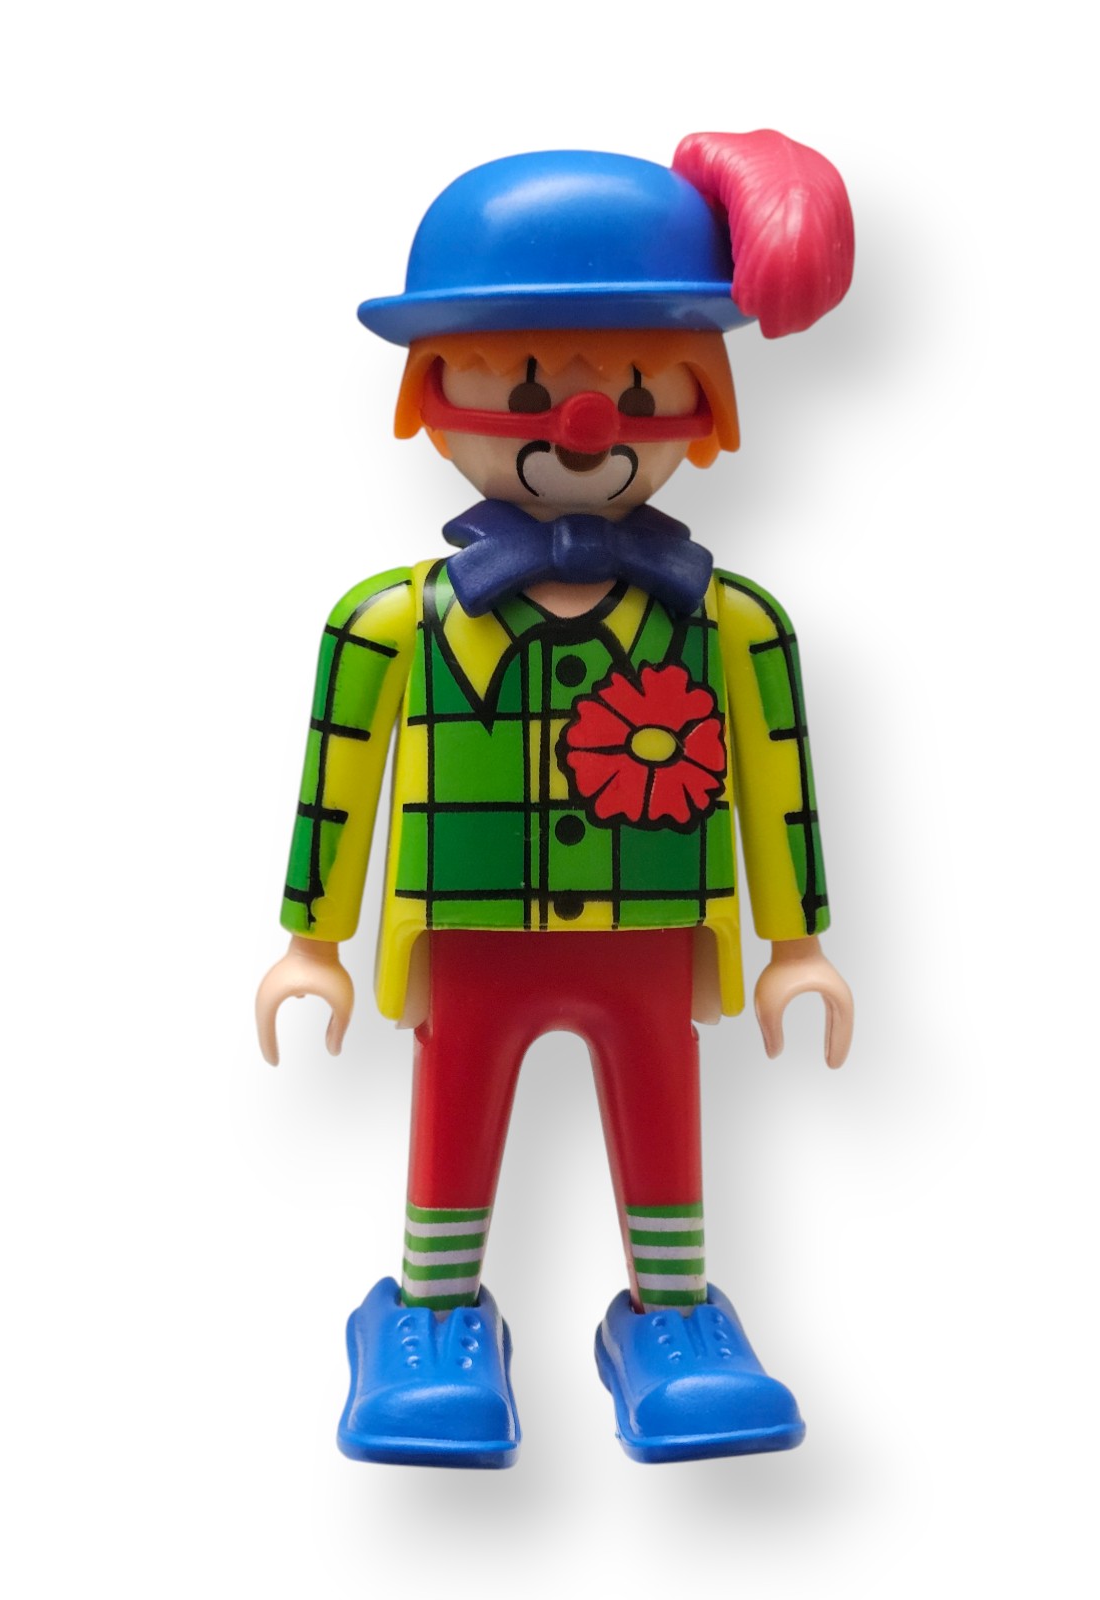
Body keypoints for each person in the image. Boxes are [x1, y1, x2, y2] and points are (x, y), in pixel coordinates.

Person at [256, 131, 857, 1467]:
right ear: (431, 393)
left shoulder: (731, 625)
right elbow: (337, 779)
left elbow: (779, 782)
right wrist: (313, 940)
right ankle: (431, 1315)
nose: (582, 425)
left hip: (655, 933)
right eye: (526, 386)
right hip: (467, 934)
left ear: (705, 404)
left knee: (663, 1110)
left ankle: (676, 1316)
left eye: (636, 389)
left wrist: (796, 943)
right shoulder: (392, 623)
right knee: (453, 1112)